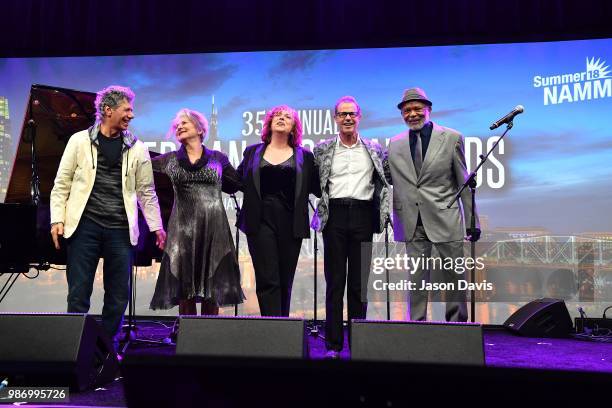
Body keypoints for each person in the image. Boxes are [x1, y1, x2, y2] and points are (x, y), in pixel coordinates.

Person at [50, 85, 166, 347]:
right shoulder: (78, 141)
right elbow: (62, 183)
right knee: (78, 293)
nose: (131, 115)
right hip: (84, 227)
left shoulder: (138, 148)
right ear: (108, 110)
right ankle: (76, 349)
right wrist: (57, 219)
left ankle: (107, 349)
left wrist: (157, 226)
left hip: (120, 230)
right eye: (127, 109)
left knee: (118, 295)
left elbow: (147, 192)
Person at [384, 87, 480, 322]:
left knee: (455, 277)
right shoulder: (394, 144)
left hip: (445, 218)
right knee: (416, 279)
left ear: (429, 110)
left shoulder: (451, 138)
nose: (412, 114)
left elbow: (463, 181)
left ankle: (457, 325)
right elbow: (388, 180)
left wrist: (471, 221)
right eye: (407, 110)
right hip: (411, 220)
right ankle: (416, 325)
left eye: (417, 108)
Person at [312, 96, 390, 359]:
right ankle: (333, 346)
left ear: (359, 117)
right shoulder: (321, 149)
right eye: (342, 114)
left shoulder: (375, 149)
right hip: (333, 216)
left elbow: (386, 179)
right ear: (335, 118)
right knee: (335, 283)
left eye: (352, 114)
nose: (347, 118)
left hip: (363, 215)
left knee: (359, 285)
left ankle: (359, 345)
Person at [149, 109, 245, 314]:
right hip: (182, 230)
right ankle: (187, 336)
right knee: (185, 287)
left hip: (214, 229)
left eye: (185, 123)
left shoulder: (219, 158)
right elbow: (139, 169)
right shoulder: (168, 159)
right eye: (177, 125)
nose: (179, 127)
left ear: (201, 129)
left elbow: (236, 183)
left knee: (213, 287)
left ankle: (209, 336)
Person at [237, 105, 321, 317]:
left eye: (287, 117)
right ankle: (271, 329)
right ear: (269, 123)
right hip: (259, 221)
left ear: (294, 127)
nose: (282, 118)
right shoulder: (252, 152)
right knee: (268, 279)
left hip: (291, 223)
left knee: (285, 280)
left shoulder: (305, 156)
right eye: (277, 115)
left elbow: (318, 187)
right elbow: (236, 181)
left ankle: (283, 331)